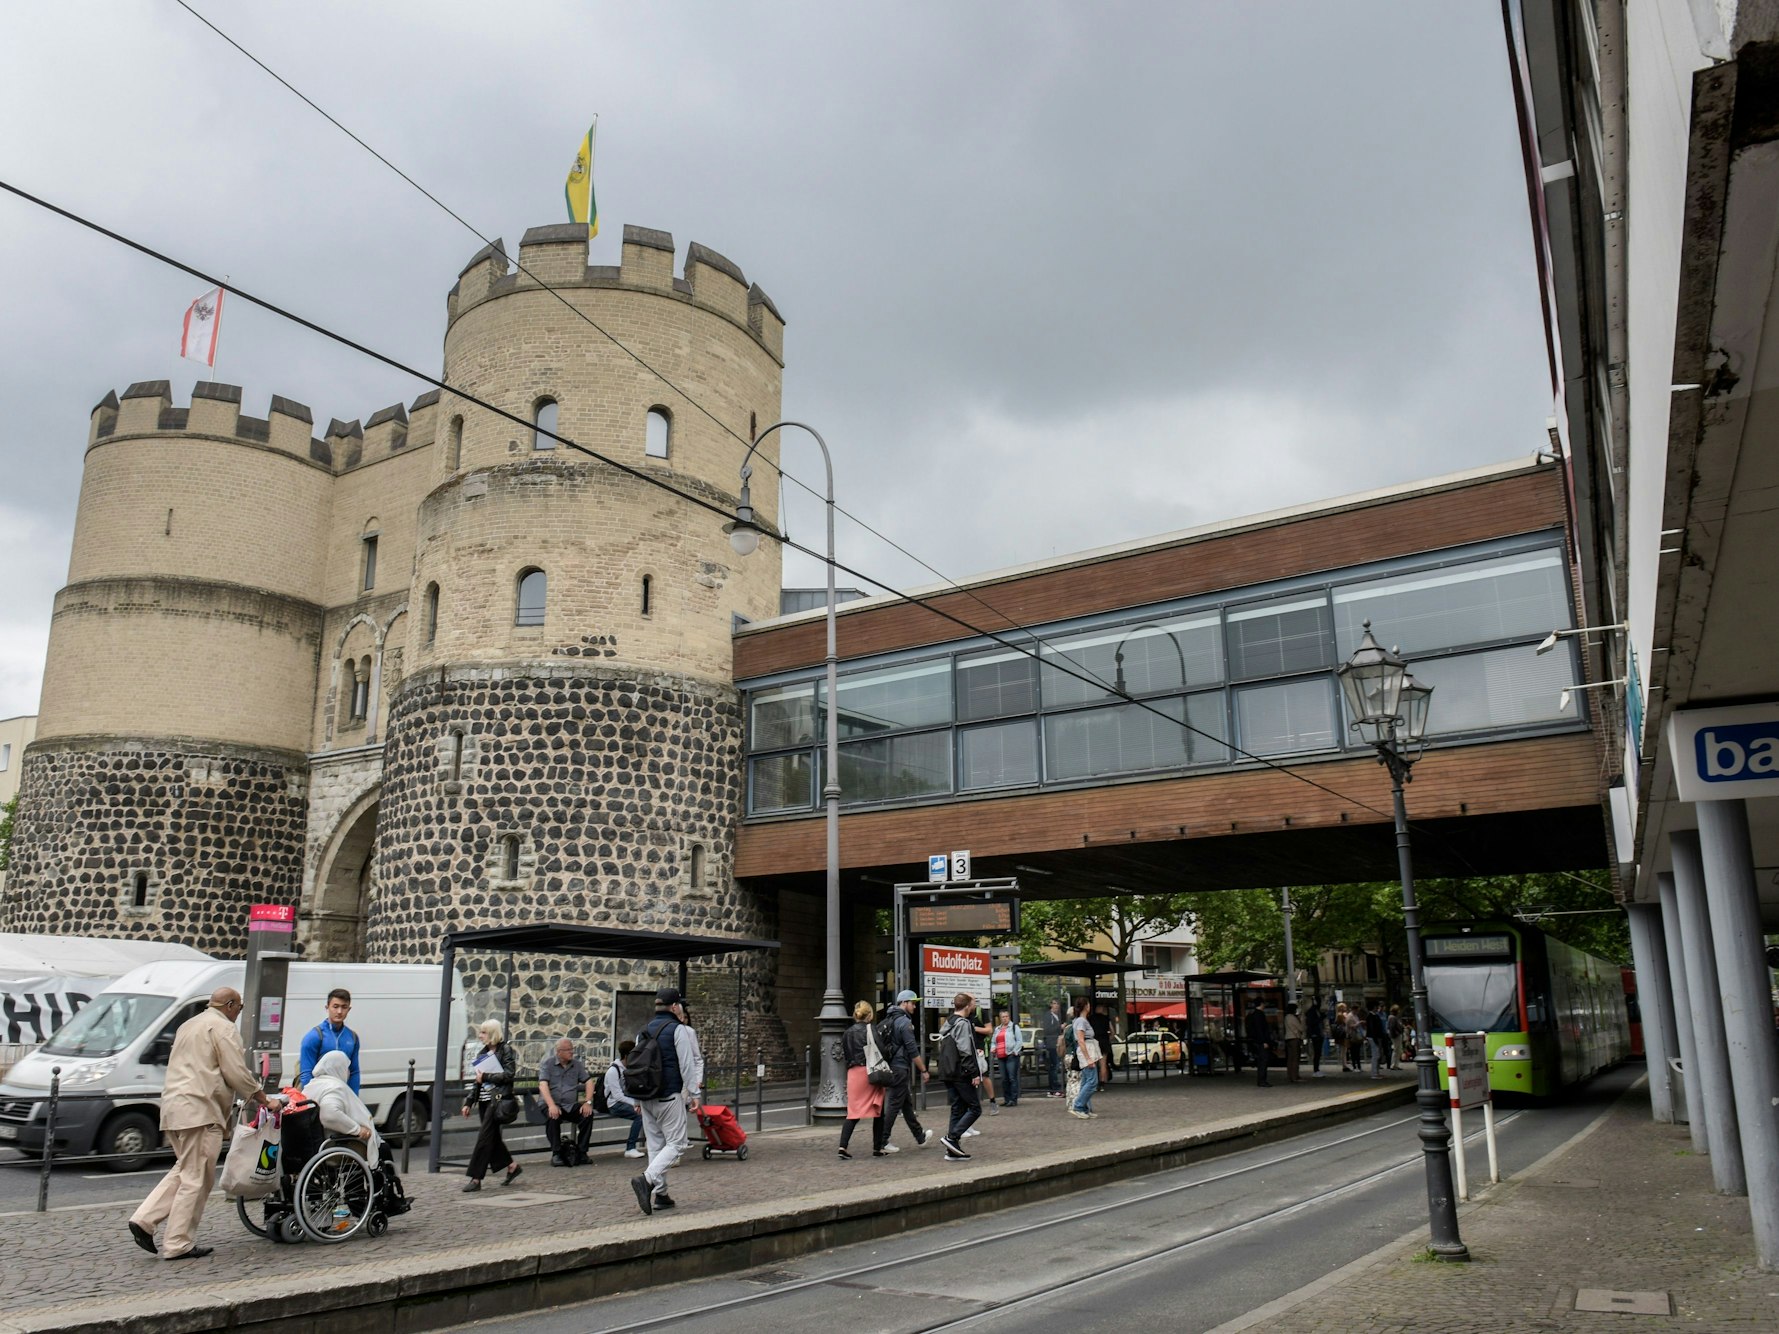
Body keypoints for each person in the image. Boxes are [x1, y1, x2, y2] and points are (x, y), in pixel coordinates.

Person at [128, 986, 267, 1260]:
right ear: (229, 1005)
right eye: (238, 1007)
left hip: (174, 1108)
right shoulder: (223, 1028)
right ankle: (178, 1243)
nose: (239, 1013)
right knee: (197, 1178)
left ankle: (145, 1219)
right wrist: (262, 1097)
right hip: (201, 1110)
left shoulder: (188, 1025)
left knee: (186, 1170)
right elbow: (235, 1071)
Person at [306, 1049, 410, 1217]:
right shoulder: (334, 1087)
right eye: (346, 1067)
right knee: (382, 1149)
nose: (348, 1072)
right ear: (337, 1067)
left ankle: (365, 1201)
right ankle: (386, 1199)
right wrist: (357, 1129)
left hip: (321, 1143)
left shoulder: (312, 1086)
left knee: (368, 1151)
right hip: (335, 1144)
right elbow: (329, 1114)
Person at [629, 987, 704, 1215]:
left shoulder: (642, 1031)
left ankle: (661, 1195)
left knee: (655, 1145)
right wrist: (694, 1094)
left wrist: (636, 1098)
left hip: (646, 1096)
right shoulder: (677, 1030)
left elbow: (636, 1065)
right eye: (679, 1004)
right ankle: (647, 1179)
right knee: (677, 1144)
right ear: (674, 1007)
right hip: (668, 1095)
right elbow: (686, 1064)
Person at [460, 1019, 521, 1192]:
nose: (480, 1035)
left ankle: (476, 1178)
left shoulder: (505, 1050)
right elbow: (477, 1082)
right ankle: (512, 1166)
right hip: (486, 1102)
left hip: (499, 1100)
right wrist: (469, 1102)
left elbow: (509, 1075)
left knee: (484, 1138)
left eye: (484, 1032)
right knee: (492, 1138)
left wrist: (486, 1076)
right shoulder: (482, 1054)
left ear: (493, 1034)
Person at [875, 990, 933, 1154]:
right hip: (900, 1067)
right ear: (904, 1003)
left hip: (893, 1065)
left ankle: (920, 1136)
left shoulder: (890, 1018)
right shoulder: (904, 1022)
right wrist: (924, 1070)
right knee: (894, 1104)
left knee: (905, 1103)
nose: (914, 1006)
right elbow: (912, 1049)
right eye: (912, 1003)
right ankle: (883, 1141)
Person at [938, 993, 984, 1160]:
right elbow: (965, 1049)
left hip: (947, 1071)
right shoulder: (963, 1024)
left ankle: (952, 1151)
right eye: (973, 1003)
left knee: (957, 1108)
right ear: (966, 1006)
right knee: (975, 1108)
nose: (974, 1006)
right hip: (960, 1072)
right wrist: (973, 1072)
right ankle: (952, 1137)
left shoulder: (949, 1022)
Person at [838, 1000, 884, 1159]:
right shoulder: (871, 1029)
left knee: (853, 1112)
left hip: (853, 1074)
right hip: (869, 1071)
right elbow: (881, 1049)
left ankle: (842, 1146)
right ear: (869, 1015)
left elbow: (844, 1053)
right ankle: (878, 1147)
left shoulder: (847, 1032)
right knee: (879, 1111)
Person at [539, 1037, 595, 1166]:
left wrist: (587, 1102)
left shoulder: (577, 1065)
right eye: (568, 1050)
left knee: (587, 1114)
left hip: (569, 1105)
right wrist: (551, 1105)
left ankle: (582, 1152)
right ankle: (556, 1153)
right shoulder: (548, 1064)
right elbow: (543, 1085)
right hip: (551, 1103)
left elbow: (589, 1081)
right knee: (552, 1116)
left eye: (572, 1049)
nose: (571, 1052)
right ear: (559, 1052)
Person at [298, 987, 361, 1093]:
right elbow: (306, 1073)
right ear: (327, 1007)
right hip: (318, 1095)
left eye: (344, 1007)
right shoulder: (314, 1036)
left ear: (349, 1009)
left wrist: (354, 1097)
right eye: (335, 1007)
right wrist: (312, 1100)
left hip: (342, 1093)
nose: (339, 1011)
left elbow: (354, 1072)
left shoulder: (353, 1037)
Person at [603, 1040, 645, 1158]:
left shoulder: (630, 1068)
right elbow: (617, 1095)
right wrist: (636, 1104)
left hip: (626, 1100)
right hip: (614, 1104)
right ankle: (630, 1148)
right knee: (640, 1115)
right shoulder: (613, 1071)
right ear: (627, 1055)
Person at [1068, 998, 1101, 1118]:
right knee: (1092, 1081)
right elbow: (1081, 1040)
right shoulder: (1082, 1021)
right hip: (1087, 1051)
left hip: (1087, 1050)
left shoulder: (1078, 1020)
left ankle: (1084, 1108)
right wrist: (1088, 1058)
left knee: (1086, 1080)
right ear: (1086, 1006)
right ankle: (1078, 1105)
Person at [990, 1008, 1024, 1107]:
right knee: (1004, 1079)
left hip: (1011, 1055)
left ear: (1009, 1017)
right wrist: (993, 1048)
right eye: (1002, 1017)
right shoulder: (997, 1029)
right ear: (1000, 1018)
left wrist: (1015, 1051)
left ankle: (1013, 1099)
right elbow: (993, 1041)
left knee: (1012, 1078)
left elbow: (1019, 1040)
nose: (1005, 1019)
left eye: (1006, 1016)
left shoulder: (1014, 1027)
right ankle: (1007, 1099)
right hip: (1001, 1056)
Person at [1246, 999, 1273, 1088]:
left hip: (1257, 1041)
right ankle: (1262, 1080)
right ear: (1261, 1004)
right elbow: (1260, 1029)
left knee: (1261, 1061)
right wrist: (1264, 1041)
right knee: (1263, 1061)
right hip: (1261, 1042)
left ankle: (1261, 1080)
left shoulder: (1253, 1015)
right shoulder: (1259, 1015)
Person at [1086, 998, 1113, 1088]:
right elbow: (1112, 1031)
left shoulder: (1090, 1019)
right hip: (1104, 1042)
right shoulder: (1106, 1018)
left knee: (1093, 1063)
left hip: (1094, 1041)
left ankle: (1093, 1081)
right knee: (1103, 1063)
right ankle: (1102, 1082)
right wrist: (1109, 1038)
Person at [1040, 999, 1064, 1098]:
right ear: (1051, 1005)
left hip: (1057, 1043)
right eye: (1054, 1004)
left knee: (1055, 1066)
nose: (1056, 1006)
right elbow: (1048, 1030)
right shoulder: (1047, 1016)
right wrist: (1060, 1027)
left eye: (1057, 1004)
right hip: (1051, 1044)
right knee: (1054, 1066)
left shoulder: (1058, 1016)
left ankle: (1054, 1088)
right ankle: (1054, 1088)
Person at [1283, 1002, 1304, 1083]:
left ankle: (1290, 1075)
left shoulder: (1286, 1017)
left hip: (1288, 1038)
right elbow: (1301, 1028)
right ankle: (1295, 1076)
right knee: (1295, 1058)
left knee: (1290, 1059)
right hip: (1294, 1038)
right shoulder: (1292, 1017)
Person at [1305, 999, 1326, 1078]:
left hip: (1318, 1034)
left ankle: (1317, 1069)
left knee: (1318, 1052)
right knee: (1317, 1052)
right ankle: (1316, 1069)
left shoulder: (1316, 1011)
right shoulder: (1312, 1012)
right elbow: (1312, 1023)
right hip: (1315, 1034)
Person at [1366, 1004, 1388, 1079]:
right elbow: (1373, 1029)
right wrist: (1376, 1038)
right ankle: (1374, 1073)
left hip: (1374, 1037)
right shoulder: (1371, 1017)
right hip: (1374, 1037)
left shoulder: (1372, 1016)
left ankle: (1376, 1072)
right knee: (1376, 1055)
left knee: (1377, 1055)